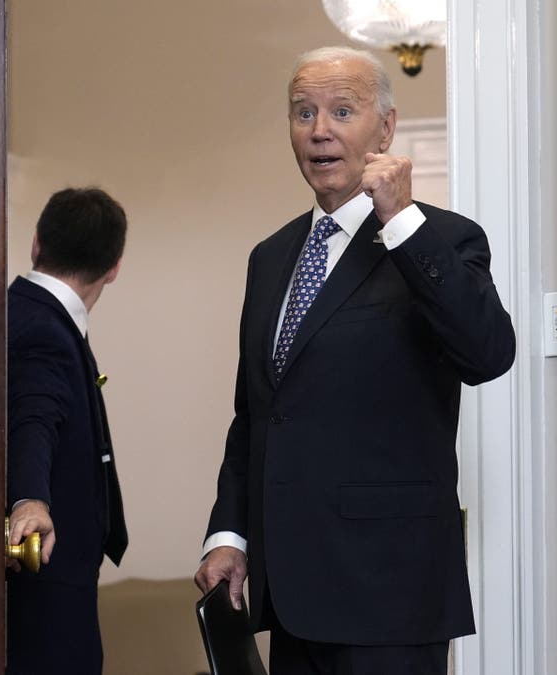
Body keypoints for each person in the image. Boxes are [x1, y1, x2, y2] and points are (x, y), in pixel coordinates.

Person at [194, 47, 516, 674]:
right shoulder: (270, 258)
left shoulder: (442, 239)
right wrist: (229, 535)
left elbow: (488, 354)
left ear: (386, 128)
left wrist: (401, 222)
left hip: (389, 595)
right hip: (288, 597)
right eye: (303, 112)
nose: (319, 130)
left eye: (343, 110)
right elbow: (256, 415)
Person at [6, 187, 129, 674]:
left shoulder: (23, 312)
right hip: (47, 586)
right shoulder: (44, 327)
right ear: (114, 267)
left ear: (37, 244)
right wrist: (29, 499)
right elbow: (34, 416)